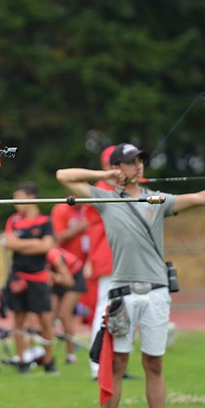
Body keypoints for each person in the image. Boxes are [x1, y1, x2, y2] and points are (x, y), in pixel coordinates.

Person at [56, 142, 205, 408]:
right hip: (122, 293)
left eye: (140, 161)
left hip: (156, 291)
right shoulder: (105, 198)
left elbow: (198, 198)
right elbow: (63, 176)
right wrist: (105, 176)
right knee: (117, 364)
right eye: (131, 162)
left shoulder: (156, 199)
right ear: (117, 167)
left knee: (154, 364)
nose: (138, 166)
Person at [2, 182, 57, 373]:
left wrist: (22, 244)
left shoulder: (45, 221)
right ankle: (22, 361)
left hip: (39, 277)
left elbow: (47, 246)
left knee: (45, 320)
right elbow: (9, 243)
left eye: (19, 197)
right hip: (18, 277)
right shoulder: (13, 220)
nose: (15, 201)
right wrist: (35, 243)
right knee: (18, 319)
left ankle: (49, 361)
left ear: (31, 198)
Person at [85, 145, 116, 380]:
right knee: (105, 308)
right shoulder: (102, 190)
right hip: (107, 255)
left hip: (120, 255)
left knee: (119, 310)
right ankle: (98, 364)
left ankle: (112, 362)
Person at [45, 246, 86, 363]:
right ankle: (46, 355)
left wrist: (51, 276)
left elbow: (69, 281)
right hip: (57, 281)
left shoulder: (53, 255)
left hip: (74, 277)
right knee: (48, 315)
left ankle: (71, 354)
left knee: (64, 314)